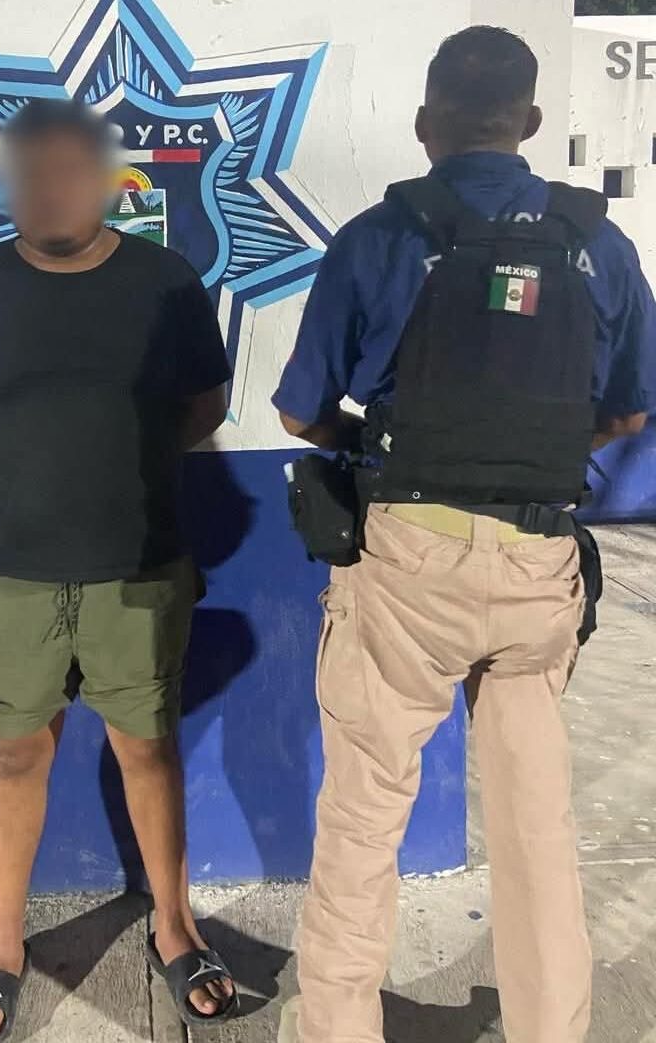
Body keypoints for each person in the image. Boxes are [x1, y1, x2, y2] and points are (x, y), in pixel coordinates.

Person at [274, 26, 656, 1043]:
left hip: (407, 559)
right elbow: (629, 410)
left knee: (364, 817)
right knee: (537, 828)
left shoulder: (380, 235)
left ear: (423, 123)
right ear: (529, 121)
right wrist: (537, 446)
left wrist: (377, 442)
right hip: (539, 564)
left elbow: (301, 409)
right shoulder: (599, 243)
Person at [0, 98, 238, 1042]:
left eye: (69, 170)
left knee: (148, 750)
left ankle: (175, 927)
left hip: (139, 572)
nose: (51, 189)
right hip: (9, 580)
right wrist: (15, 490)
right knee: (18, 754)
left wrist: (117, 479)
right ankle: (0, 945)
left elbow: (204, 405)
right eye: (31, 173)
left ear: (106, 181)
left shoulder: (166, 282)